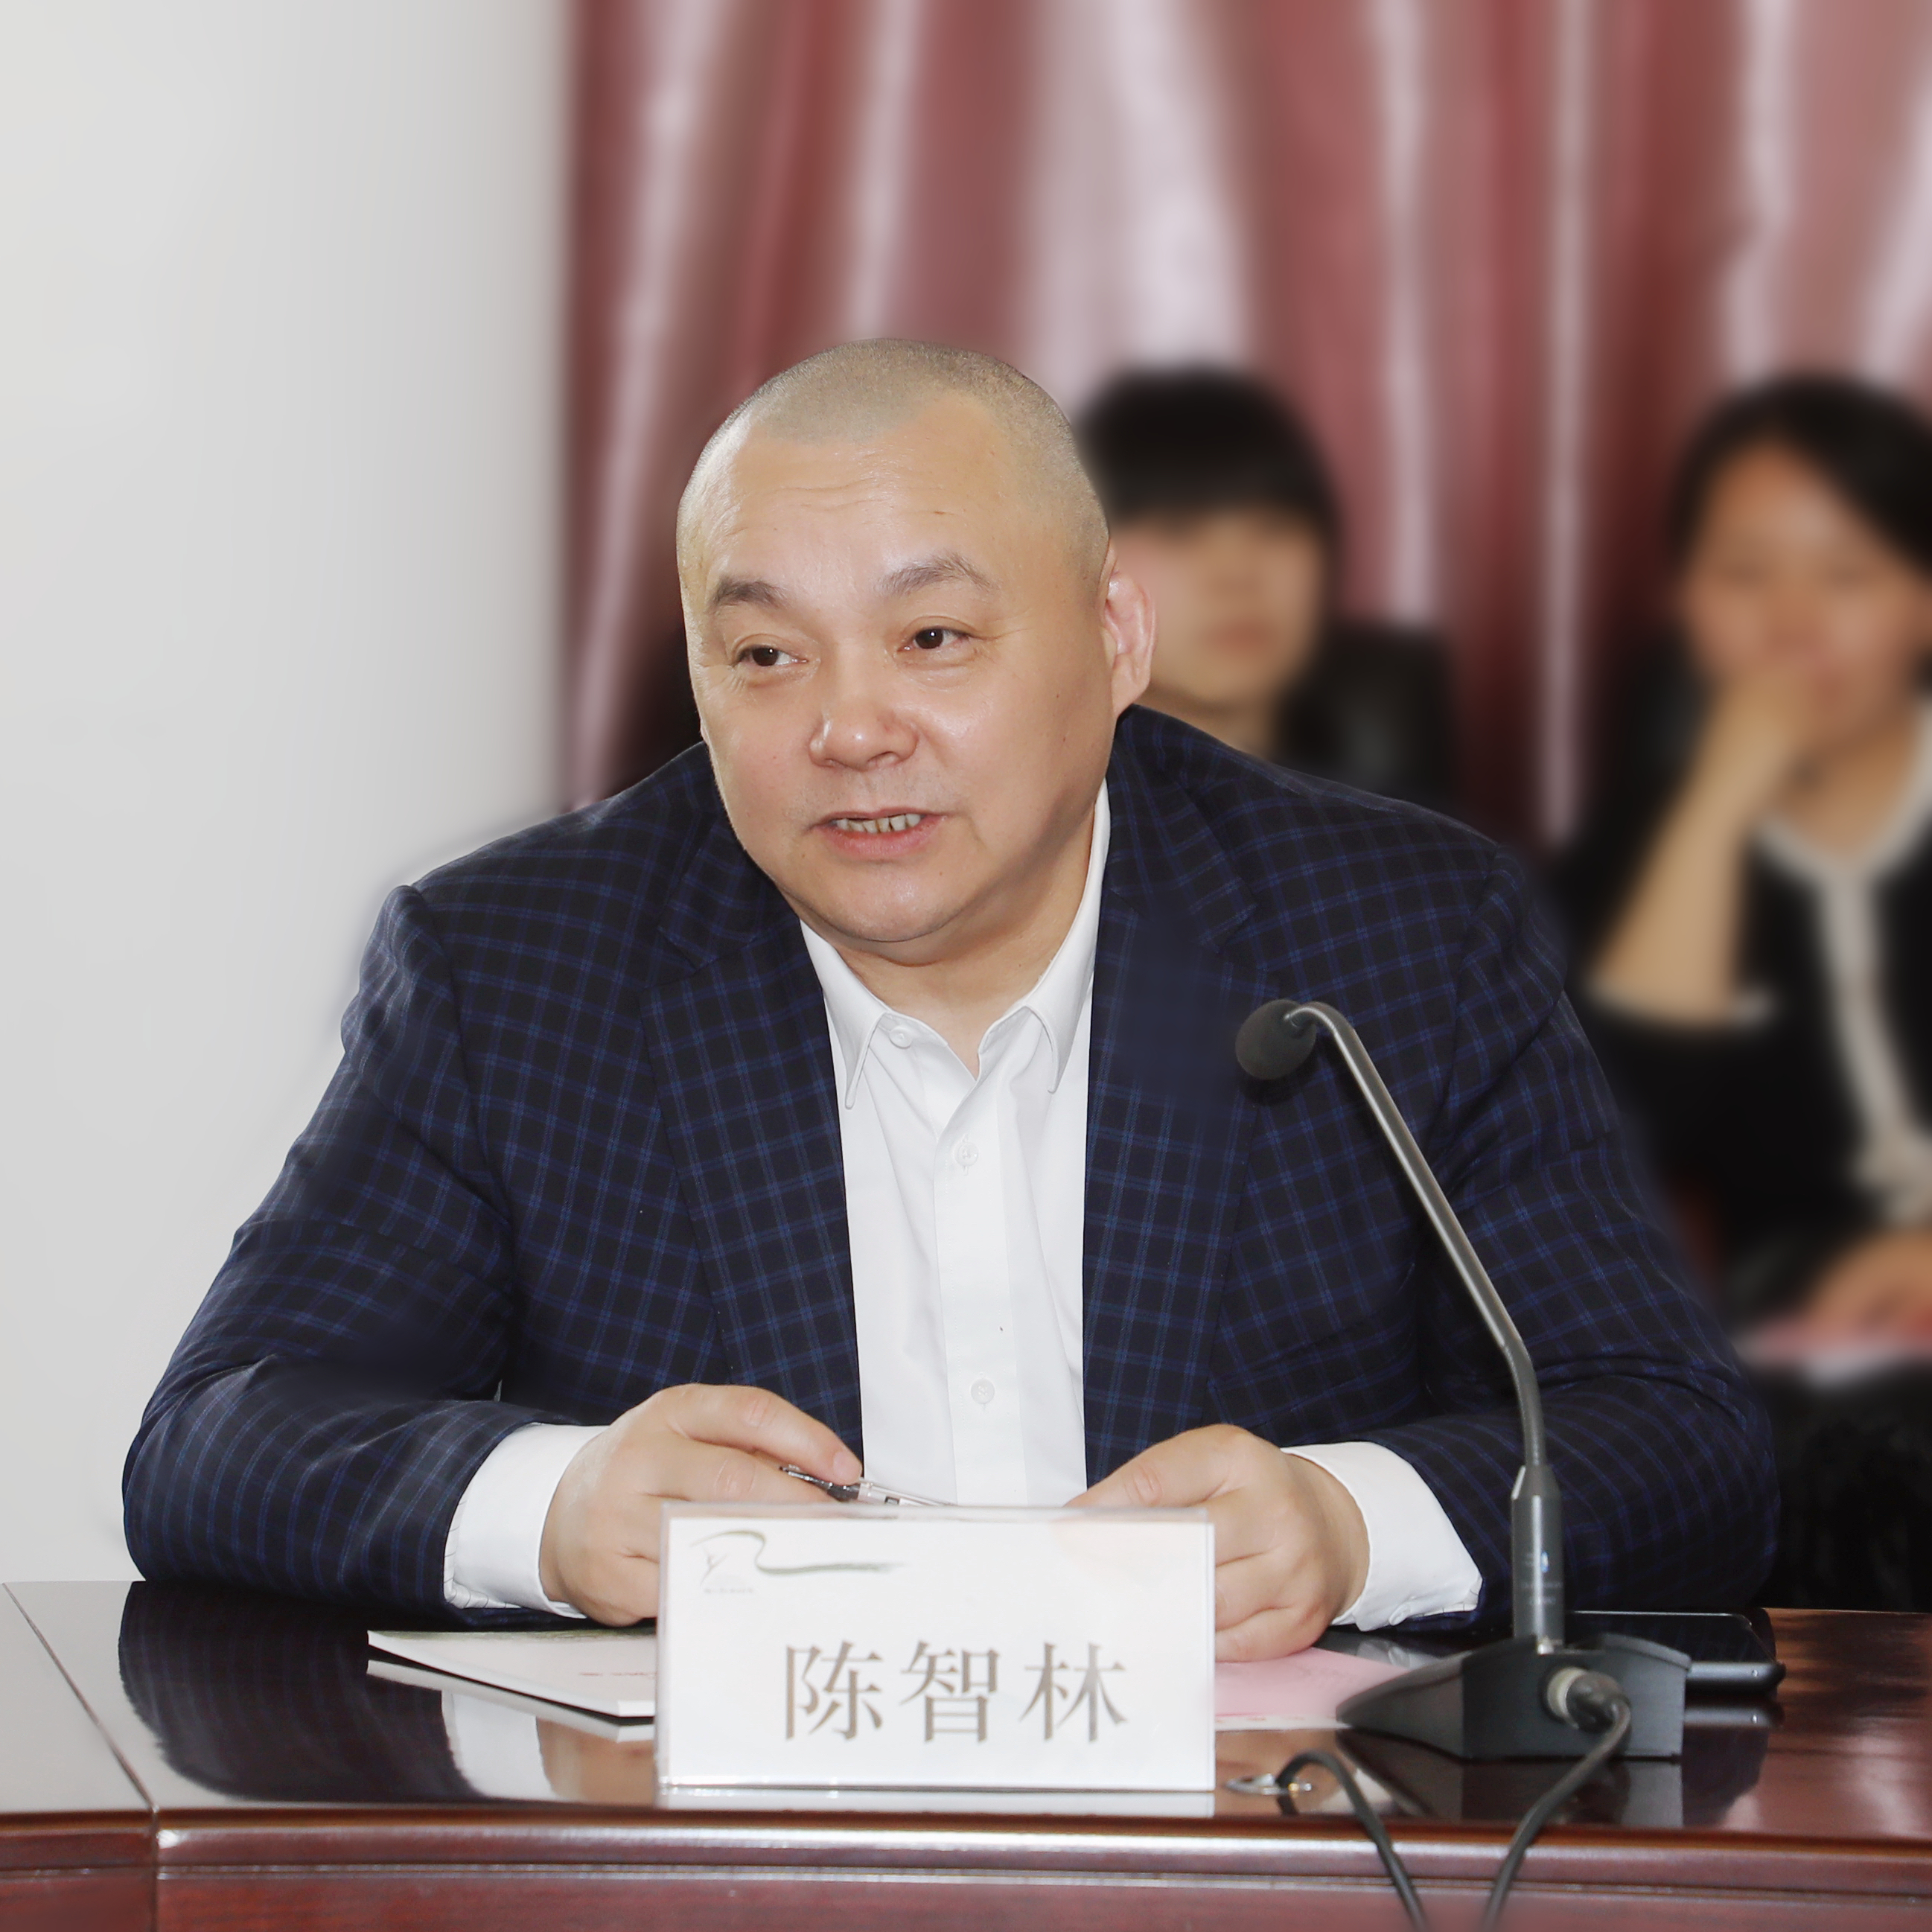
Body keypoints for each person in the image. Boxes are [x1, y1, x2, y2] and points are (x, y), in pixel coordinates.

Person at [125, 341, 1773, 1648]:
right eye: (765, 656)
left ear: (1115, 636)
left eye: (931, 638)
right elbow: (217, 1439)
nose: (850, 730)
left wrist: (1348, 1530)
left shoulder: (1392, 936)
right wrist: (558, 1511)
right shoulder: (520, 964)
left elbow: (1676, 1442)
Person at [1552, 374, 1932, 1607]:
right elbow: (1612, 1138)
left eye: (1847, 574)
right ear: (1683, 602)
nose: (1791, 625)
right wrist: (1717, 808)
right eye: (1744, 574)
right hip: (1794, 1393)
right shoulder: (1649, 854)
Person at [1077, 366, 1453, 809]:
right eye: (1179, 530)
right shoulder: (1047, 832)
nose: (1238, 574)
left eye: (1274, 527)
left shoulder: (1415, 838)